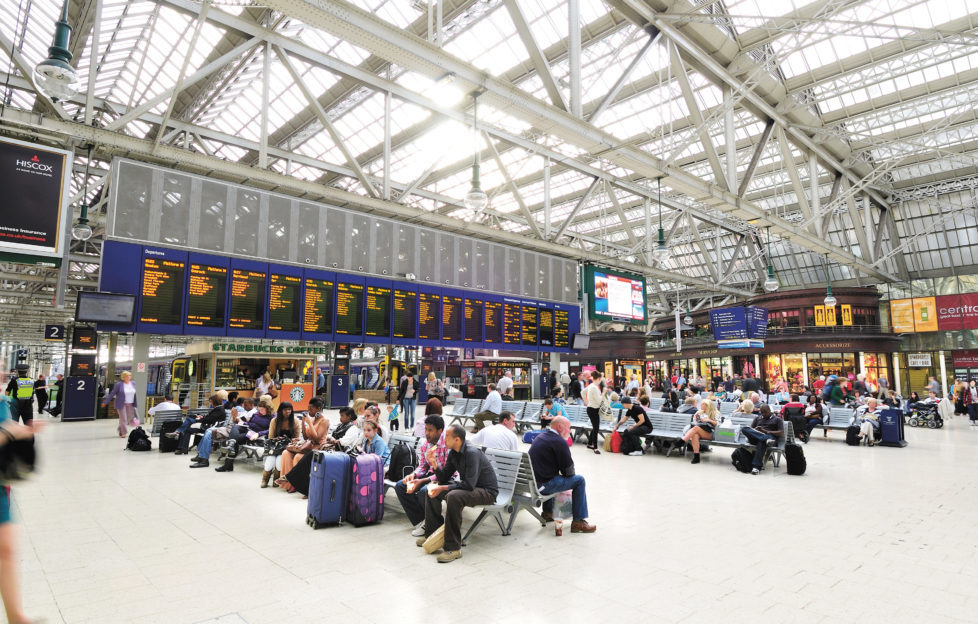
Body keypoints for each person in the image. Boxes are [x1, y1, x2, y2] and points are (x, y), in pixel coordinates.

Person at [416, 424, 498, 564]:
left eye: (447, 436)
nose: (444, 439)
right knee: (432, 489)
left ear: (457, 440)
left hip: (486, 491)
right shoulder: (453, 453)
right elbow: (443, 477)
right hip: (472, 489)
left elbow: (469, 485)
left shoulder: (472, 453)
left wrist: (444, 488)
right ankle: (432, 533)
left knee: (453, 496)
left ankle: (453, 548)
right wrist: (434, 463)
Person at [0, 395, 44, 624]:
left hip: (1, 486)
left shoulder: (2, 400)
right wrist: (10, 433)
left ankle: (16, 617)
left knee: (5, 550)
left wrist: (24, 431)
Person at [528, 416, 597, 533]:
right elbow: (569, 472)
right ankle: (578, 522)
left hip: (533, 483)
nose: (570, 431)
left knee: (552, 475)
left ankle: (548, 512)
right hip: (544, 485)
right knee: (579, 480)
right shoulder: (559, 442)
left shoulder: (541, 436)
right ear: (559, 427)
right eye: (569, 428)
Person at [395, 415, 449, 536]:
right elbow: (423, 466)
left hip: (446, 478)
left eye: (430, 430)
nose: (426, 433)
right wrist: (413, 475)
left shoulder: (447, 445)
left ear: (440, 431)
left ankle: (433, 524)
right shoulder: (426, 444)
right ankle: (422, 522)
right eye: (426, 429)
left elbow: (447, 473)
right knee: (401, 486)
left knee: (424, 491)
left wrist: (423, 480)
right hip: (430, 475)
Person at [192, 398, 272, 469]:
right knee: (235, 428)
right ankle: (226, 458)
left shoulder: (272, 416)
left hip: (254, 433)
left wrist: (259, 434)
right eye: (259, 410)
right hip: (246, 429)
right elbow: (249, 423)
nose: (260, 412)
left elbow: (271, 429)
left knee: (233, 440)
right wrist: (242, 422)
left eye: (262, 410)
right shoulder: (256, 414)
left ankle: (227, 462)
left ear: (268, 409)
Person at [276, 397, 329, 491]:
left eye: (311, 409)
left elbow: (316, 437)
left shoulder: (324, 420)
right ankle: (289, 484)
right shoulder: (312, 420)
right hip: (307, 446)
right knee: (286, 453)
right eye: (308, 409)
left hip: (317, 448)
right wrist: (304, 423)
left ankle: (298, 486)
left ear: (319, 408)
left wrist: (309, 422)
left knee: (298, 457)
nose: (309, 411)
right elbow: (305, 437)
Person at [256, 402, 300, 486]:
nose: (287, 411)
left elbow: (297, 438)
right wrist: (276, 439)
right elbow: (270, 437)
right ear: (280, 410)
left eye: (289, 409)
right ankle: (265, 480)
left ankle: (275, 480)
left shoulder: (295, 421)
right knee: (270, 461)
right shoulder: (274, 421)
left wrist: (290, 440)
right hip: (274, 446)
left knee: (279, 461)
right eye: (285, 409)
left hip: (287, 447)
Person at [741, 404, 783, 475]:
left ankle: (756, 467)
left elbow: (781, 432)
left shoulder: (777, 419)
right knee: (744, 428)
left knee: (762, 442)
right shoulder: (757, 418)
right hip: (760, 438)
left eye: (765, 412)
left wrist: (766, 431)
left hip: (770, 437)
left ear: (770, 410)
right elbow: (751, 429)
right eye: (762, 412)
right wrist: (756, 430)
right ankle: (765, 439)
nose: (763, 414)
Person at [102, 371, 138, 438]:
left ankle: (120, 429)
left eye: (129, 376)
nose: (128, 377)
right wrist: (105, 402)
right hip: (121, 404)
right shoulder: (119, 384)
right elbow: (112, 393)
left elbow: (134, 394)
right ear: (123, 377)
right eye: (126, 376)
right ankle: (123, 433)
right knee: (123, 419)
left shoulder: (133, 383)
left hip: (130, 404)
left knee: (126, 419)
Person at [683, 399, 718, 464]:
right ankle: (696, 457)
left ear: (707, 405)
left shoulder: (715, 413)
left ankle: (682, 441)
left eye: (702, 404)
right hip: (700, 431)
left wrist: (708, 420)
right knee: (694, 434)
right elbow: (694, 422)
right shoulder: (698, 412)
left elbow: (718, 424)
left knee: (696, 428)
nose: (700, 405)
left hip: (711, 433)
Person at [584, 370, 604, 454]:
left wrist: (586, 401)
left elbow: (583, 392)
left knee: (595, 427)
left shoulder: (591, 385)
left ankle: (590, 444)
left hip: (592, 408)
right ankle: (595, 447)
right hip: (593, 409)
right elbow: (599, 400)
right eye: (601, 379)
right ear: (598, 378)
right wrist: (604, 392)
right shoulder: (594, 387)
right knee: (596, 428)